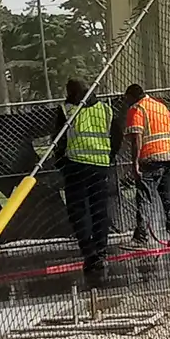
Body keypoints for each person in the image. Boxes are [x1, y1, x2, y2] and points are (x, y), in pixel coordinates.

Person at [58, 77, 113, 282]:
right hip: (100, 165)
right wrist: (108, 156)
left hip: (75, 165)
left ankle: (89, 252)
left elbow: (59, 139)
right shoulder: (104, 109)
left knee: (78, 211)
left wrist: (61, 163)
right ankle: (101, 250)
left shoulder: (67, 110)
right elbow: (115, 135)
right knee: (99, 210)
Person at [120, 82, 170, 245]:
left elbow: (136, 138)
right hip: (168, 156)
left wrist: (135, 164)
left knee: (144, 198)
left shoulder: (137, 109)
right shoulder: (161, 107)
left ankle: (140, 238)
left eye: (127, 99)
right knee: (168, 198)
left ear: (132, 97)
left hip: (150, 158)